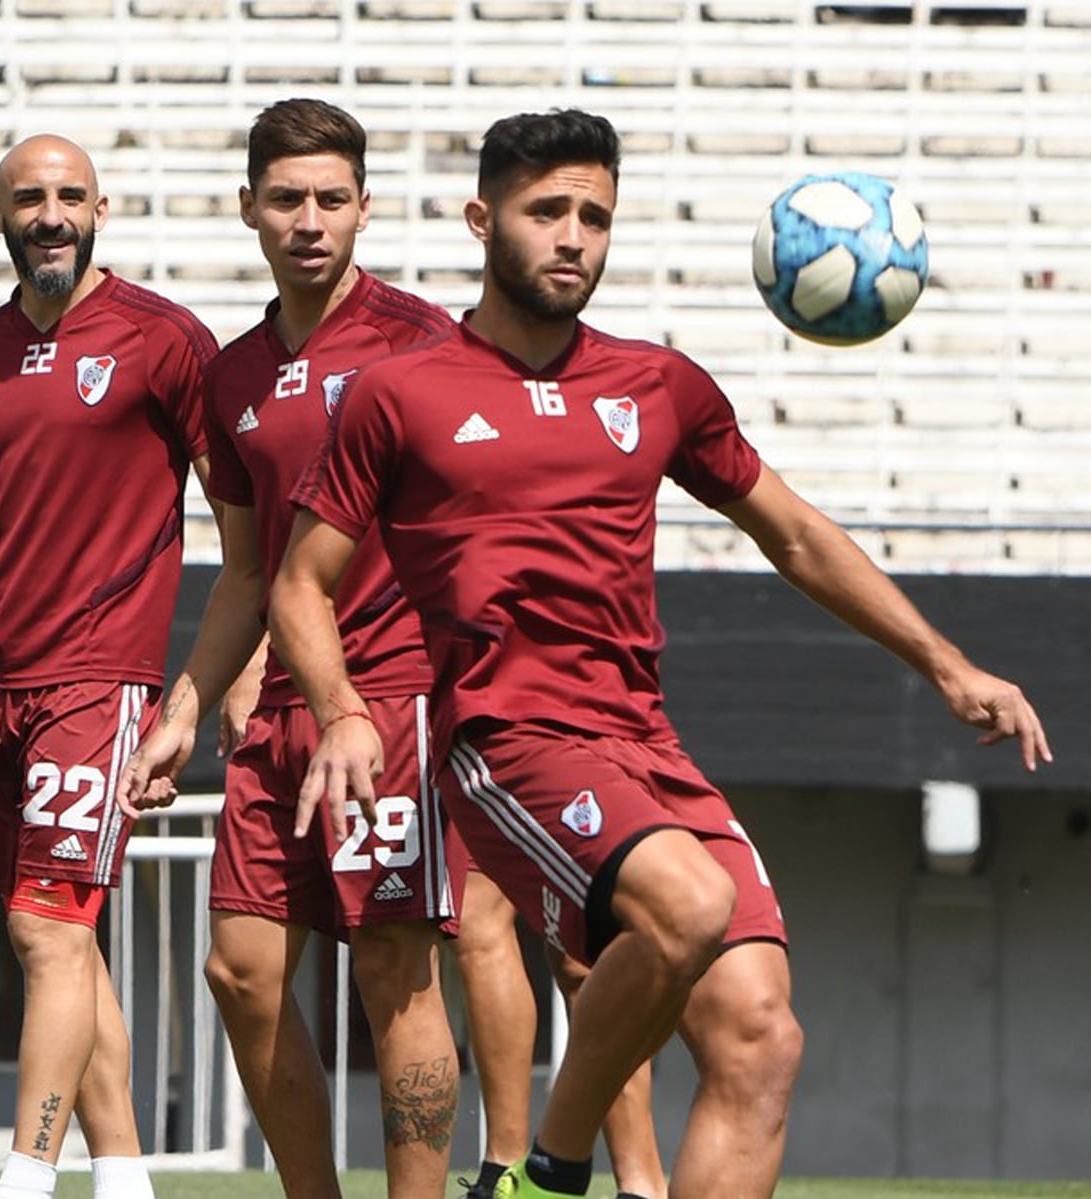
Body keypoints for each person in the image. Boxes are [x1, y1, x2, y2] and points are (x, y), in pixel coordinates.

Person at [270, 108, 1050, 1199]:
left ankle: (553, 1157)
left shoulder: (657, 385)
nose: (572, 237)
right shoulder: (398, 394)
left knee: (758, 1036)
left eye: (593, 215)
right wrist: (344, 708)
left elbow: (794, 534)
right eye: (547, 212)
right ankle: (547, 1165)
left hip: (642, 741)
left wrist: (944, 662)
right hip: (506, 736)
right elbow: (297, 583)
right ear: (479, 217)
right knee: (682, 906)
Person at [116, 97, 470, 1199]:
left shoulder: (425, 345)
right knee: (241, 967)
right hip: (276, 711)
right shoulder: (228, 378)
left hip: (391, 699)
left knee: (392, 970)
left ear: (364, 207)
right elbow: (248, 569)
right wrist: (183, 702)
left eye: (328, 198)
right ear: (248, 211)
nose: (307, 219)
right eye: (284, 199)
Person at [0, 134, 218, 1199]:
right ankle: (123, 1176)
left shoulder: (166, 340)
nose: (52, 213)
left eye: (70, 195)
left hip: (99, 675)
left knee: (44, 921)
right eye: (31, 198)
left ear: (101, 206)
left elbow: (244, 525)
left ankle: (25, 1177)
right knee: (59, 935)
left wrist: (207, 690)